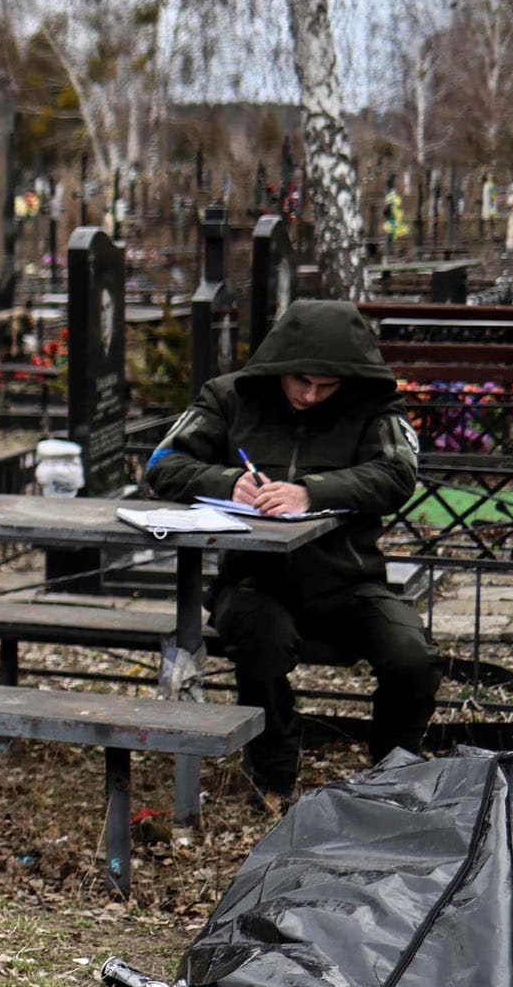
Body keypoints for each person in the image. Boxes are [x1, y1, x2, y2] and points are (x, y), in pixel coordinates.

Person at [144, 298, 433, 803]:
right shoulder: (228, 396)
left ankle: (395, 772)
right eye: (300, 380)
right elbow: (163, 463)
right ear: (278, 366)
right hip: (254, 581)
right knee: (260, 640)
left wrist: (311, 492)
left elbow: (396, 473)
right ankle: (272, 773)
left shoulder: (374, 406)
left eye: (326, 386)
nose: (309, 395)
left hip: (348, 579)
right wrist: (226, 480)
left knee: (412, 657)